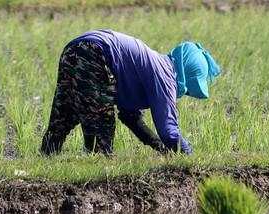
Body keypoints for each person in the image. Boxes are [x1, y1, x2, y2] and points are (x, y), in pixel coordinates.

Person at [41, 29, 221, 156]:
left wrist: (159, 148)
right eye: (188, 89)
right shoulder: (165, 75)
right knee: (101, 124)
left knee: (65, 111)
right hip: (96, 52)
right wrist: (188, 155)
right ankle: (97, 165)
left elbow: (130, 118)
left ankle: (47, 158)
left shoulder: (153, 65)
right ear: (185, 75)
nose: (183, 93)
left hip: (74, 48)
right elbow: (169, 131)